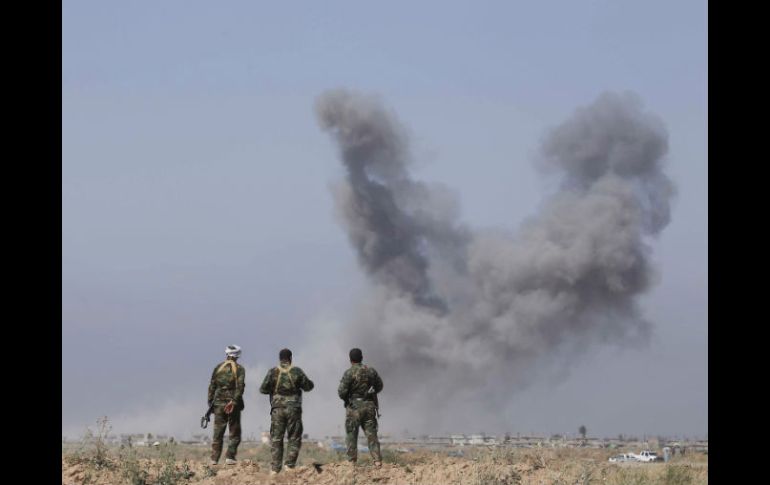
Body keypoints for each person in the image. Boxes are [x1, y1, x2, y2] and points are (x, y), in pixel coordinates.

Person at [259, 348, 314, 475]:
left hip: (277, 409)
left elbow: (262, 389)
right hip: (293, 409)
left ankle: (275, 469)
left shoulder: (273, 372)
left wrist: (274, 390)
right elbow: (308, 387)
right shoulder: (297, 372)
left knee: (277, 438)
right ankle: (289, 466)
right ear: (290, 358)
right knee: (294, 437)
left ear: (280, 359)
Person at [337, 348, 383, 467]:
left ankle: (352, 463)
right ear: (361, 358)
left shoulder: (349, 373)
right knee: (372, 434)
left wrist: (348, 398)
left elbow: (341, 392)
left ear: (350, 360)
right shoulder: (371, 371)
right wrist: (370, 392)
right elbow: (379, 386)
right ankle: (377, 461)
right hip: (369, 406)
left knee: (352, 434)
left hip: (354, 407)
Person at [207, 345, 246, 465]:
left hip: (218, 403)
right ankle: (230, 457)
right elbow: (240, 388)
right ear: (238, 355)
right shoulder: (239, 369)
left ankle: (214, 459)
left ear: (227, 354)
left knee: (218, 432)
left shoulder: (218, 368)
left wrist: (210, 403)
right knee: (234, 432)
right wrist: (233, 402)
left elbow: (212, 386)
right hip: (232, 405)